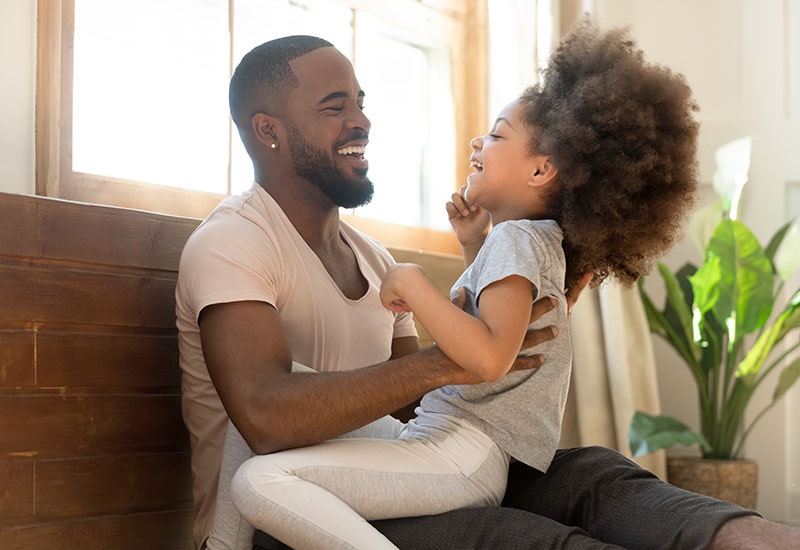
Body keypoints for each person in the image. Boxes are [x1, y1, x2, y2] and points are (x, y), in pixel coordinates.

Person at [176, 23, 800, 550]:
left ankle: (751, 538)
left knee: (591, 473)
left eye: (361, 102)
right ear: (269, 130)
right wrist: (455, 355)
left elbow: (417, 408)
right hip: (294, 519)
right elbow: (260, 419)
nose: (362, 120)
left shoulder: (374, 256)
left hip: (400, 461)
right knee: (503, 531)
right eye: (335, 107)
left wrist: (491, 330)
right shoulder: (235, 241)